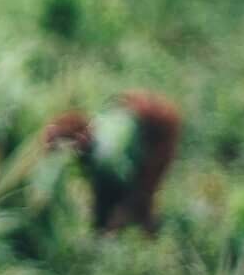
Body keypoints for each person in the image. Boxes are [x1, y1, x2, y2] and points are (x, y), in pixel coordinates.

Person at [43, 91, 182, 233]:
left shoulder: (105, 160)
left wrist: (119, 214)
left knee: (139, 199)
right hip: (128, 109)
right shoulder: (92, 131)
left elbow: (127, 184)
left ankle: (148, 234)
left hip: (159, 125)